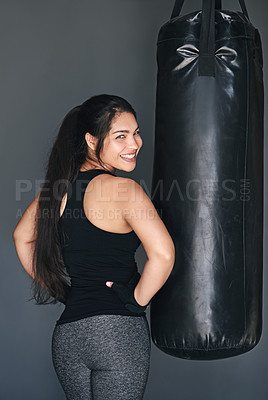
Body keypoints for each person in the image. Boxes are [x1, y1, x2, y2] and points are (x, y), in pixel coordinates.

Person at [12, 94, 175, 399]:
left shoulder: (58, 189)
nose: (135, 144)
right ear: (91, 140)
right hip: (117, 334)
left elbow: (22, 237)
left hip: (68, 337)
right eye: (121, 136)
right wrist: (137, 299)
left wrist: (59, 289)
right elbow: (164, 255)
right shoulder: (126, 190)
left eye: (136, 133)